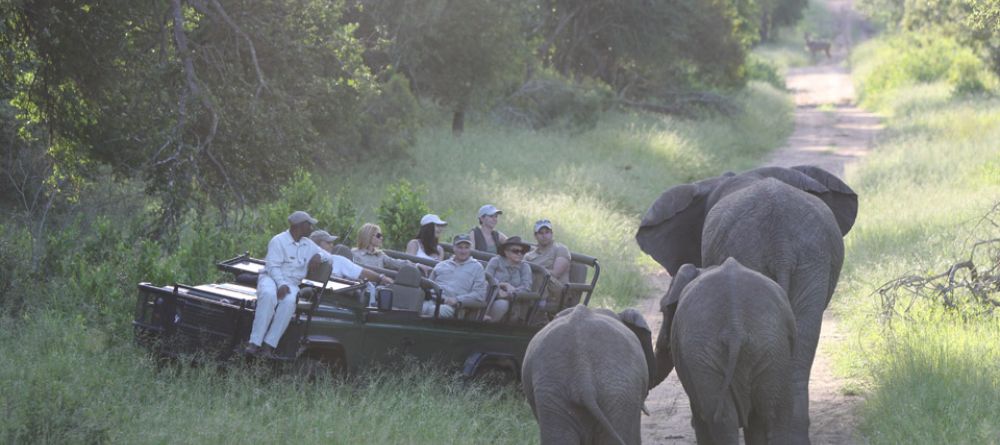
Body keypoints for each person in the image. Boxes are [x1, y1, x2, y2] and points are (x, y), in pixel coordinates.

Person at [246, 211, 329, 357]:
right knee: (268, 295)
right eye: (309, 225)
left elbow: (329, 257)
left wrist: (318, 255)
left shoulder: (308, 245)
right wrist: (280, 284)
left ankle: (269, 345)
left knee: (289, 302)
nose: (311, 228)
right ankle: (254, 343)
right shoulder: (278, 241)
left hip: (291, 283)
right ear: (300, 226)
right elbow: (273, 267)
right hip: (271, 278)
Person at [423, 234, 487, 318]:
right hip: (433, 300)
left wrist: (457, 299)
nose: (463, 251)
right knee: (416, 307)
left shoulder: (476, 267)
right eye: (460, 247)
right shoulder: (441, 265)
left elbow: (479, 294)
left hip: (454, 306)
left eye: (466, 247)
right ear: (454, 248)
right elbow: (429, 285)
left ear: (470, 249)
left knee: (434, 311)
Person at [310, 229, 393, 286]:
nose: (332, 245)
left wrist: (380, 277)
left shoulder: (338, 260)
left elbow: (361, 272)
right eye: (328, 242)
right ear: (317, 244)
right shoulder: (338, 260)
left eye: (332, 242)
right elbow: (361, 272)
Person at [524, 219, 572, 314]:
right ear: (535, 236)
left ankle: (539, 311)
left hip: (557, 289)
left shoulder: (560, 249)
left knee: (541, 274)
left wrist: (536, 270)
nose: (544, 235)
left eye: (547, 232)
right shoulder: (529, 255)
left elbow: (556, 273)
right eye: (540, 233)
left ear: (552, 233)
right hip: (533, 285)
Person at [483, 236, 533, 322]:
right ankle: (481, 316)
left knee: (502, 304)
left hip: (511, 301)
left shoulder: (525, 267)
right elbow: (485, 279)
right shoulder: (496, 261)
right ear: (506, 252)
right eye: (515, 251)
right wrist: (502, 285)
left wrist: (508, 294)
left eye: (522, 251)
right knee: (489, 287)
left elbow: (526, 288)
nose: (519, 254)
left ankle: (487, 325)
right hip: (489, 295)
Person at [352, 223, 431, 275]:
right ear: (368, 235)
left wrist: (416, 265)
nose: (382, 238)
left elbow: (396, 263)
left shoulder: (380, 255)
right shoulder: (355, 254)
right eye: (378, 235)